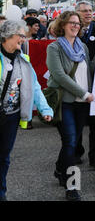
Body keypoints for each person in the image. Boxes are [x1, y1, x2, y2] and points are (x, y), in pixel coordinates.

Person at [0, 20, 53, 201]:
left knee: (4, 157)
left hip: (11, 117)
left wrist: (45, 109)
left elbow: (35, 88)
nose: (23, 39)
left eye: (24, 36)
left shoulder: (24, 60)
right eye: (20, 36)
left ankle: (1, 193)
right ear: (7, 36)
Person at [46, 11, 94, 201]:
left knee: (71, 142)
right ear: (63, 25)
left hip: (82, 104)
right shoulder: (54, 47)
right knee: (71, 142)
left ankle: (60, 169)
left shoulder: (83, 47)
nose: (75, 26)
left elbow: (89, 70)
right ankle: (72, 186)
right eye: (71, 23)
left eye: (77, 23)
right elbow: (59, 76)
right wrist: (83, 93)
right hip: (64, 102)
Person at [75, 0, 95, 170]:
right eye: (84, 11)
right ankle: (76, 152)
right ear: (77, 12)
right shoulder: (72, 30)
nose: (88, 13)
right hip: (78, 82)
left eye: (90, 10)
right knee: (78, 121)